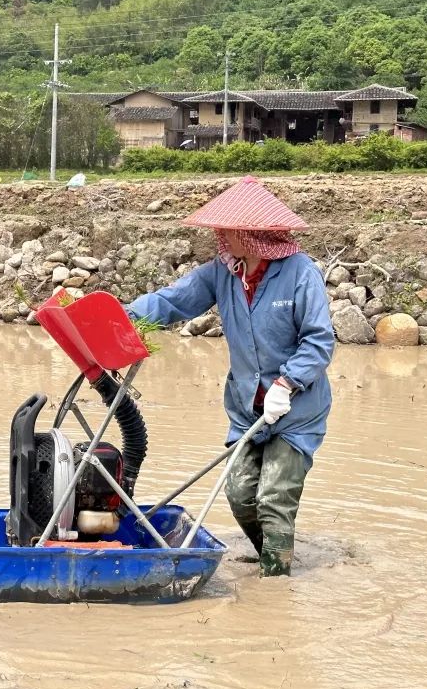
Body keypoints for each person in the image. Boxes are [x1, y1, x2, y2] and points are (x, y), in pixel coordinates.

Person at [126, 176, 334, 577]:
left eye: (226, 228)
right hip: (246, 408)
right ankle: (272, 556)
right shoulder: (224, 272)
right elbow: (173, 300)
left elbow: (319, 340)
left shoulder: (299, 273)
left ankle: (275, 582)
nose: (218, 235)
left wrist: (288, 383)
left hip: (295, 409)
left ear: (251, 232)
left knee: (274, 496)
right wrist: (121, 316)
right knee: (240, 494)